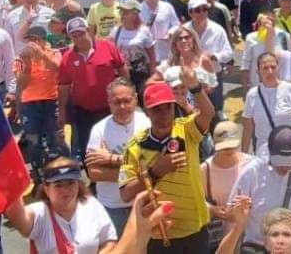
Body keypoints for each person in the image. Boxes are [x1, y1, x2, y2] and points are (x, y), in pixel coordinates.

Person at [119, 75, 215, 253]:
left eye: (168, 107)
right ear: (146, 111)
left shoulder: (187, 129)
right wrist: (155, 172)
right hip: (160, 233)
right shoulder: (134, 146)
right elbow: (125, 193)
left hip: (195, 228)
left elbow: (208, 113)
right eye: (157, 109)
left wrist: (195, 86)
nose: (164, 114)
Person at [231, 125, 291, 249]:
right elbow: (231, 212)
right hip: (259, 247)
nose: (284, 168)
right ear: (270, 152)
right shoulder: (252, 172)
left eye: (289, 163)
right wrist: (238, 211)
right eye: (279, 163)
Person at [5, 156, 118, 253]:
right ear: (46, 189)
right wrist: (10, 177)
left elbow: (109, 241)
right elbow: (16, 215)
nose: (66, 190)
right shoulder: (40, 213)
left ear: (79, 185)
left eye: (71, 183)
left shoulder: (92, 205)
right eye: (58, 185)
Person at [85, 78, 150, 234]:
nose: (122, 107)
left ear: (135, 98)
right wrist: (136, 176)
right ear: (109, 102)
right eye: (116, 102)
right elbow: (94, 173)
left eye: (127, 101)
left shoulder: (147, 124)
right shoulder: (99, 130)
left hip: (143, 203)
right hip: (112, 207)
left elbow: (151, 165)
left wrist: (111, 159)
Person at [59, 17, 128, 160]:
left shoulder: (107, 47)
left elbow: (122, 68)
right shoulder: (67, 58)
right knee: (88, 145)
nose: (79, 38)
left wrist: (127, 91)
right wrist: (61, 112)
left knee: (113, 141)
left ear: (89, 31)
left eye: (81, 33)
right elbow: (64, 88)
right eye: (74, 35)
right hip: (83, 111)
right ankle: (93, 178)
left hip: (109, 107)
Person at [15, 25, 68, 176]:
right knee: (33, 140)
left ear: (43, 40)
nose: (31, 43)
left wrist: (41, 55)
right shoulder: (21, 58)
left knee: (57, 137)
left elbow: (57, 67)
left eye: (35, 40)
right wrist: (28, 65)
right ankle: (39, 172)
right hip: (30, 104)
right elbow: (22, 84)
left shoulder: (54, 52)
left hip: (51, 102)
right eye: (30, 40)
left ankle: (64, 168)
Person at [200, 121, 252, 248]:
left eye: (231, 146)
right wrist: (213, 209)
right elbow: (197, 200)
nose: (228, 150)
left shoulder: (251, 164)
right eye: (224, 147)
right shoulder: (205, 169)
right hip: (219, 238)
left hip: (249, 237)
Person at [241, 52, 291, 157]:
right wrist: (243, 156)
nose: (270, 71)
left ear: (278, 68)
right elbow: (247, 129)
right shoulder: (252, 94)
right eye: (265, 68)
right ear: (258, 71)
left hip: (289, 151)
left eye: (273, 67)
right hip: (264, 154)